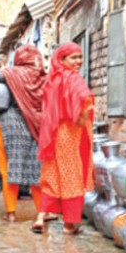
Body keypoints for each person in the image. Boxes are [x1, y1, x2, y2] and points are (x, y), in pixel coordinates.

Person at [32, 42, 94, 235]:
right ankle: (69, 225)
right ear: (62, 59)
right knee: (72, 177)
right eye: (73, 58)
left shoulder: (53, 79)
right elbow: (87, 101)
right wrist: (81, 120)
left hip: (54, 135)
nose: (78, 61)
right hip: (71, 135)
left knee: (52, 174)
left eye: (79, 57)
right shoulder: (74, 79)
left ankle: (41, 217)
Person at [0, 45, 46, 223]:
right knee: (35, 170)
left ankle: (11, 213)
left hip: (9, 123)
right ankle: (41, 213)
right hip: (36, 124)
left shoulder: (9, 73)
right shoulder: (45, 77)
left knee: (7, 169)